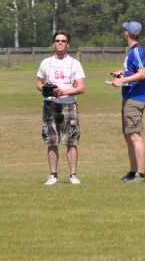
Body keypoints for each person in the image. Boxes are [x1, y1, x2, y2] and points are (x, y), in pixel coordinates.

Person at [36, 30, 86, 185]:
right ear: (53, 43)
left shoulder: (74, 63)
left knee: (71, 140)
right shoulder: (45, 62)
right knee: (51, 140)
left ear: (68, 44)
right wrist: (46, 89)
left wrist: (64, 92)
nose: (60, 43)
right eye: (57, 41)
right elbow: (38, 83)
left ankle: (73, 175)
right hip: (49, 104)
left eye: (63, 41)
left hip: (69, 104)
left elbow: (81, 87)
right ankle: (53, 175)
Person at [111, 20, 145, 183]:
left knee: (134, 135)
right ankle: (133, 172)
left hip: (135, 98)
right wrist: (124, 74)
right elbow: (136, 72)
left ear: (127, 33)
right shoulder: (134, 51)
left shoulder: (137, 51)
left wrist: (121, 80)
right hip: (130, 96)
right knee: (129, 136)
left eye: (125, 30)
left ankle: (141, 174)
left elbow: (143, 74)